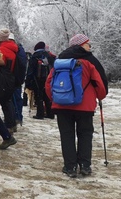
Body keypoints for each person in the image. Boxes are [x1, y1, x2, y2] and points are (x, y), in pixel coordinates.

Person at [45, 34, 107, 177]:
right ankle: (85, 165)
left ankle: (70, 167)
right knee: (85, 134)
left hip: (61, 106)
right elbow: (100, 83)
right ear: (80, 45)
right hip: (84, 107)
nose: (89, 46)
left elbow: (49, 84)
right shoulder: (90, 61)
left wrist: (55, 99)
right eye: (87, 43)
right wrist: (99, 96)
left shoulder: (60, 61)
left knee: (66, 136)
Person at [0, 28, 18, 133]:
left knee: (5, 103)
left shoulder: (2, 50)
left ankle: (8, 127)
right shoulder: (12, 48)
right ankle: (11, 124)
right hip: (10, 78)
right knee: (8, 103)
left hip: (3, 80)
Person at [25, 41, 55, 119]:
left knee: (38, 96)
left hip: (37, 79)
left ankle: (40, 113)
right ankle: (50, 113)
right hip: (48, 78)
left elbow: (30, 70)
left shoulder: (35, 56)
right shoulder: (48, 56)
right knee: (47, 96)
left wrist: (27, 82)